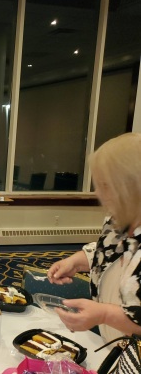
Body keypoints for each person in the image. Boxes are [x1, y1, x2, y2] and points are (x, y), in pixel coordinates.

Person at [47, 132, 141, 342]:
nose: (98, 193)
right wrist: (74, 262)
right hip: (114, 343)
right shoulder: (117, 220)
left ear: (131, 186)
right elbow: (105, 252)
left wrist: (104, 314)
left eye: (105, 185)